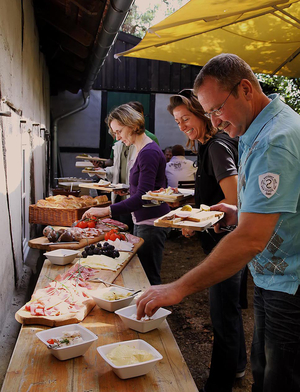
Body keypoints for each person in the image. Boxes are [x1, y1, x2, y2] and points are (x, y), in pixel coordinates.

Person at [136, 53, 300, 392]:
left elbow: (251, 239)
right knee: (263, 370)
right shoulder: (261, 128)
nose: (215, 120)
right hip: (272, 277)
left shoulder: (275, 140)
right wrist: (235, 210)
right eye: (208, 112)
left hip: (292, 282)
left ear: (245, 89)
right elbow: (279, 206)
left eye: (217, 109)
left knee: (280, 381)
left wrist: (177, 287)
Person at [167, 89, 246, 392]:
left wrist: (199, 222)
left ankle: (220, 382)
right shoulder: (205, 146)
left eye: (186, 118)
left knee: (222, 315)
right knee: (229, 309)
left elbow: (234, 200)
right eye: (177, 121)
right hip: (220, 240)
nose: (182, 125)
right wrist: (194, 222)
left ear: (203, 114)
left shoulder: (216, 147)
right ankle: (237, 367)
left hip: (227, 244)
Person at [83, 103, 170, 285]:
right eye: (115, 133)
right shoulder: (141, 150)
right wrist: (129, 190)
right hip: (143, 220)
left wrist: (106, 210)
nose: (117, 137)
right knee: (141, 275)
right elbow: (148, 188)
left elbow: (142, 197)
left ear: (133, 125)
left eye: (119, 131)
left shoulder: (148, 152)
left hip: (151, 223)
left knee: (148, 278)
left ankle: (153, 313)